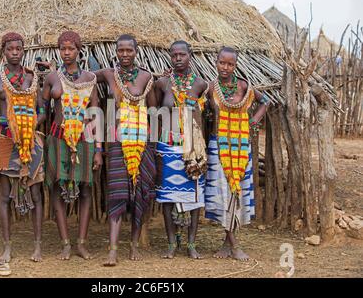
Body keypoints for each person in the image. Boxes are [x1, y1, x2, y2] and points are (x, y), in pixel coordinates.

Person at [94, 34, 157, 267]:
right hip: (117, 143)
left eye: (129, 50)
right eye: (121, 50)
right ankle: (113, 250)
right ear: (115, 51)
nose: (125, 54)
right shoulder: (109, 75)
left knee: (138, 194)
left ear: (136, 51)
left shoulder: (147, 77)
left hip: (142, 143)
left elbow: (153, 112)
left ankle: (133, 245)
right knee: (118, 193)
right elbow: (82, 77)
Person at [0, 32, 46, 263]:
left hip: (31, 142)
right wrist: (7, 121)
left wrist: (30, 125)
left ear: (23, 51)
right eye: (10, 49)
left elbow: (42, 110)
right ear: (3, 51)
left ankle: (37, 246)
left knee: (37, 193)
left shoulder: (31, 78)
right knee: (4, 197)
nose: (14, 53)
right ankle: (7, 247)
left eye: (18, 49)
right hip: (7, 141)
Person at [205, 47, 269, 261]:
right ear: (216, 62)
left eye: (230, 64)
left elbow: (265, 101)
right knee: (224, 193)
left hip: (241, 148)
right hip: (219, 147)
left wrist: (254, 120)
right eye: (222, 63)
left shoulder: (245, 86)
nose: (225, 67)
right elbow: (197, 105)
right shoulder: (211, 88)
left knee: (237, 193)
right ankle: (233, 244)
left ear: (235, 65)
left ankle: (228, 242)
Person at [43, 31, 102, 260]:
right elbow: (42, 108)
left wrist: (98, 150)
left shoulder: (90, 78)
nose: (66, 53)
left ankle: (81, 243)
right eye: (63, 49)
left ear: (79, 50)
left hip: (85, 140)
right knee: (58, 187)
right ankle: (65, 243)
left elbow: (95, 115)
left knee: (86, 189)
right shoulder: (52, 79)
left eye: (71, 48)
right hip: (58, 140)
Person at [153, 40, 209, 259]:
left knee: (194, 197)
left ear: (190, 56)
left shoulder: (202, 85)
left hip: (192, 148)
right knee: (168, 197)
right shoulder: (163, 84)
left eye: (182, 55)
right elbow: (156, 113)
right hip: (167, 146)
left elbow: (207, 115)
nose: (178, 58)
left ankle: (192, 243)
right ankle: (171, 243)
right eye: (174, 55)